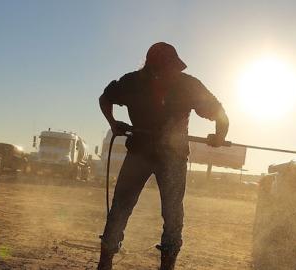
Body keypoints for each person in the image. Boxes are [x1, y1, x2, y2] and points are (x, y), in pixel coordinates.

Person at [98, 42, 229, 270]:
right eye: (169, 68)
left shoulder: (188, 85)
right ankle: (105, 261)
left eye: (175, 68)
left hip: (173, 156)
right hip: (140, 152)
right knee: (121, 205)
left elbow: (220, 112)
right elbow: (105, 98)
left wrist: (220, 134)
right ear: (152, 68)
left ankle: (167, 265)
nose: (174, 72)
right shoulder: (132, 83)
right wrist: (113, 123)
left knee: (172, 212)